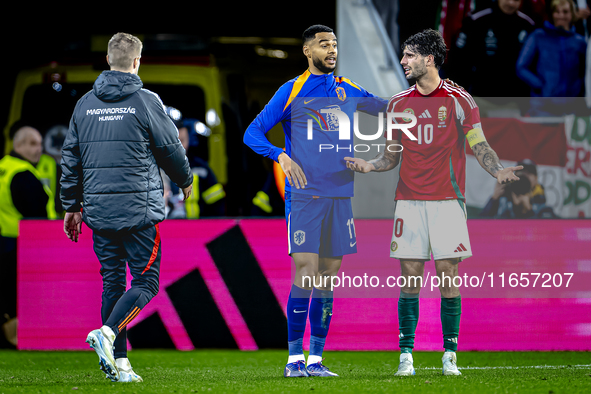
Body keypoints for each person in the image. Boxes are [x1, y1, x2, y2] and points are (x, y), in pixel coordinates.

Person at [344, 29, 522, 376]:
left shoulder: (459, 100)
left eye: (409, 55)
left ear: (429, 58)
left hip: (447, 201)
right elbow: (391, 156)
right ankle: (406, 356)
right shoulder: (398, 104)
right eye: (403, 55)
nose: (403, 61)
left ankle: (449, 355)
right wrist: (370, 165)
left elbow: (479, 144)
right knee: (409, 277)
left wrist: (497, 169)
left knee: (448, 274)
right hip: (409, 202)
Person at [243, 24, 386, 377]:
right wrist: (281, 155)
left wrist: (422, 94)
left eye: (335, 44)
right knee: (305, 271)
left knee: (327, 278)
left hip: (340, 195)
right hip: (305, 195)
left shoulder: (348, 88)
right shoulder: (292, 91)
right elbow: (252, 132)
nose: (332, 49)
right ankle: (294, 359)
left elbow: (385, 107)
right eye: (324, 45)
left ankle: (317, 359)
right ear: (308, 52)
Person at [60, 32, 192, 383]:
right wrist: (186, 179)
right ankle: (107, 333)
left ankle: (121, 366)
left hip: (99, 212)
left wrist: (71, 206)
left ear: (108, 60)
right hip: (139, 212)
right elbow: (169, 147)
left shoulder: (85, 104)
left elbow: (69, 158)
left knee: (113, 284)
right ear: (137, 62)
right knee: (146, 282)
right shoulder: (146, 100)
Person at [0, 125, 56, 348]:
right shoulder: (23, 174)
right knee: (18, 298)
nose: (38, 150)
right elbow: (38, 212)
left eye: (40, 144)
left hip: (5, 239)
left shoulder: (3, 167)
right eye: (32, 144)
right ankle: (16, 339)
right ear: (18, 144)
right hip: (22, 245)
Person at [446, 0, 535, 97]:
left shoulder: (528, 25)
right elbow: (458, 62)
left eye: (516, 0)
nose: (511, 3)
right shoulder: (477, 20)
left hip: (513, 101)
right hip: (479, 96)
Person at [516, 0, 587, 111]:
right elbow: (521, 67)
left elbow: (585, 72)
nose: (561, 15)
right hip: (543, 106)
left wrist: (578, 90)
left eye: (565, 12)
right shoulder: (538, 36)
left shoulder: (580, 42)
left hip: (571, 106)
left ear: (572, 14)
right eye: (557, 11)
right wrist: (540, 85)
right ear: (551, 14)